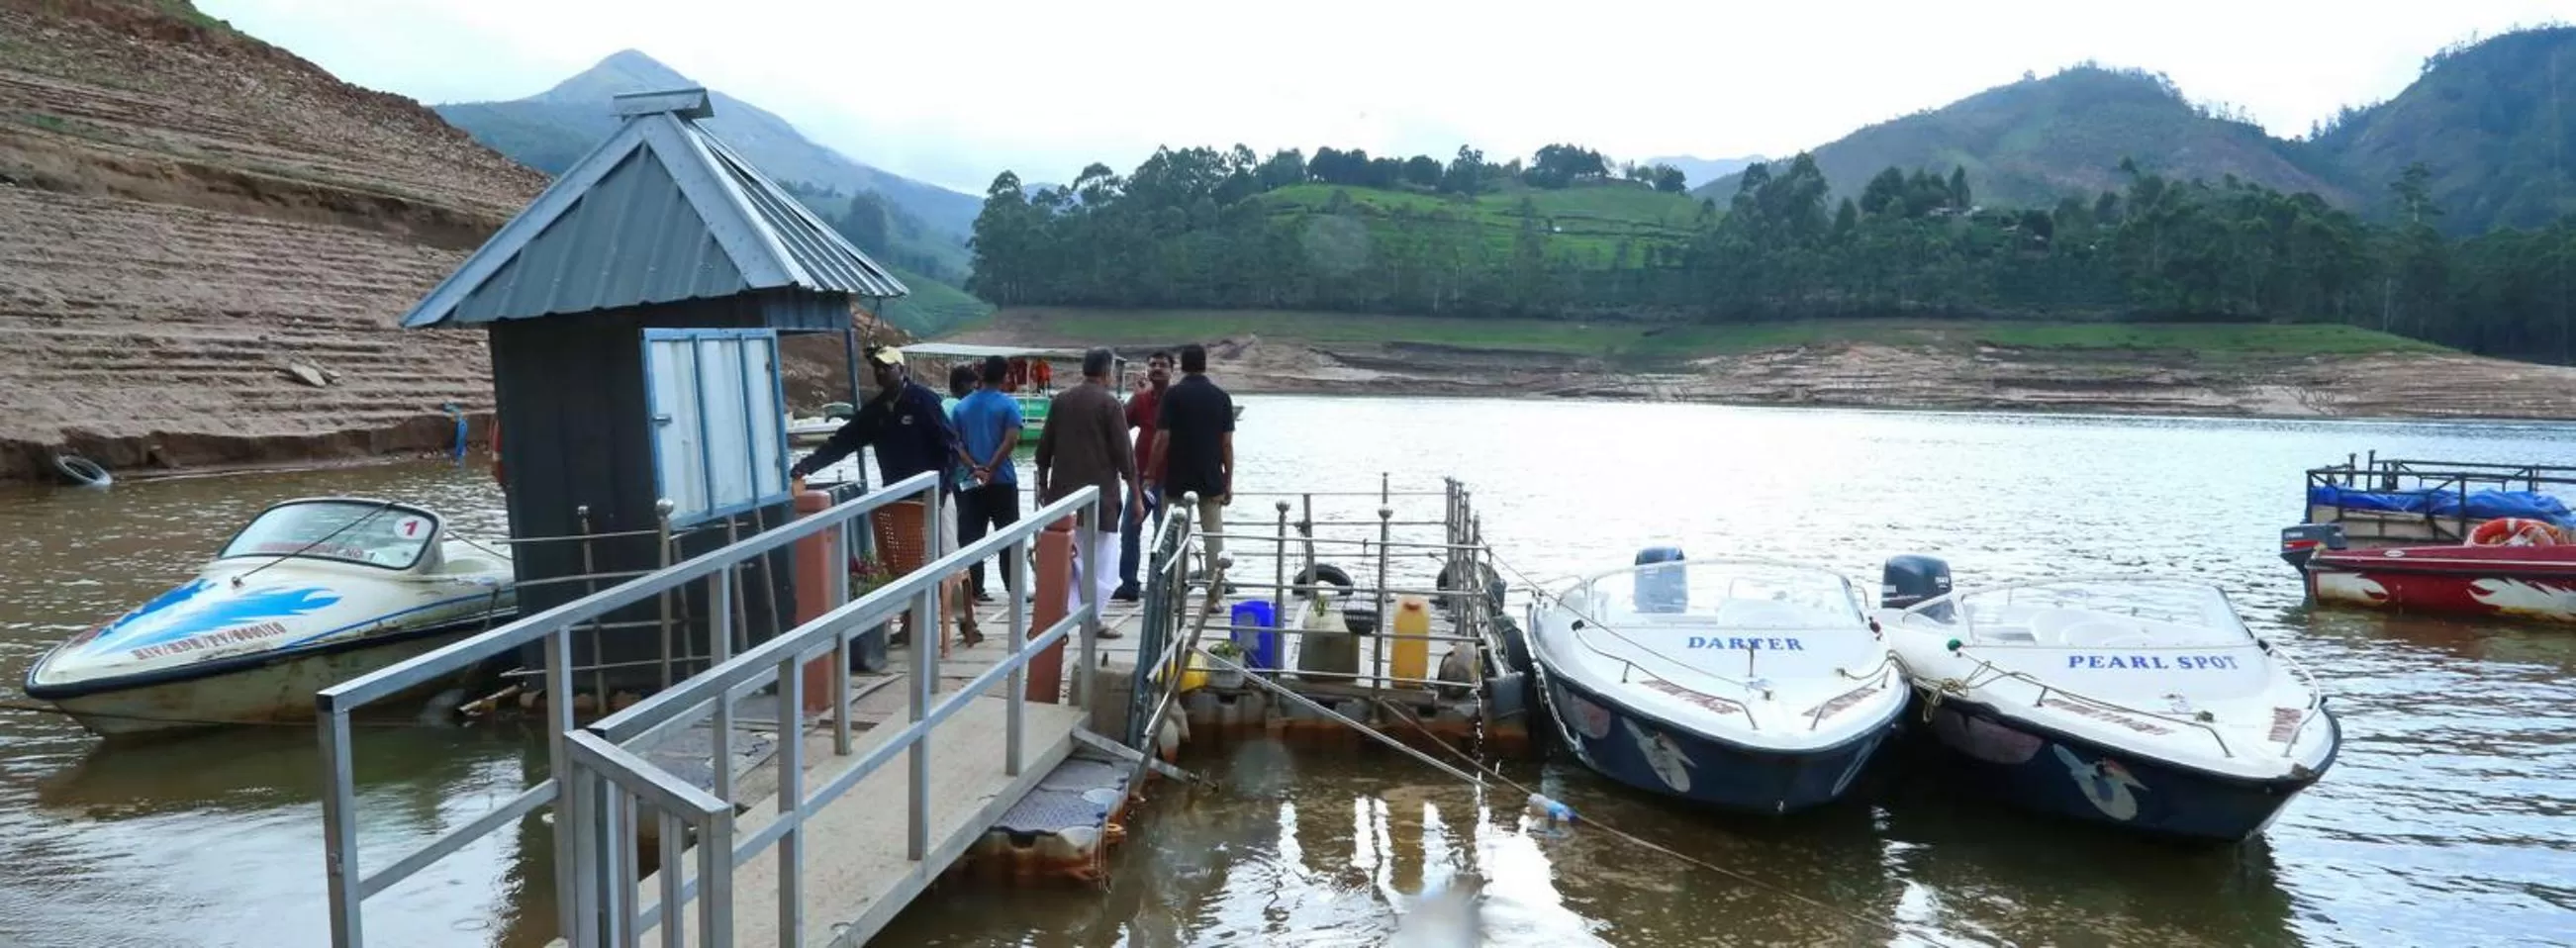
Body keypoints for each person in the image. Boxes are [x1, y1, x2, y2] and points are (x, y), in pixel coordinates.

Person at [789, 344, 977, 643]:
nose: (880, 371)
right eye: (877, 367)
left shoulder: (923, 401)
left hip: (935, 496)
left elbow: (949, 446)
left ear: (900, 370)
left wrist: (941, 488)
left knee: (947, 558)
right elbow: (843, 442)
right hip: (899, 498)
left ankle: (964, 622)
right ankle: (910, 622)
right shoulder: (876, 411)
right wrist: (805, 467)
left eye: (887, 366)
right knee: (903, 562)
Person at [1033, 347, 1144, 633]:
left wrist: (1043, 486)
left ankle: (1066, 614)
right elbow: (1125, 455)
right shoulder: (1110, 405)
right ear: (1107, 372)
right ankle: (1091, 618)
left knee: (1068, 557)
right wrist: (1137, 496)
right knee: (1101, 564)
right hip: (1101, 500)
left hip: (1062, 499)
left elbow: (1044, 448)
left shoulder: (1061, 400)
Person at [1145, 342, 1234, 615]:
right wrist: (1228, 481)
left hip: (1178, 478)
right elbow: (1227, 444)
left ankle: (1174, 598)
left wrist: (1150, 473)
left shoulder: (1173, 396)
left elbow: (1162, 438)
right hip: (1210, 478)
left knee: (1176, 539)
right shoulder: (1221, 397)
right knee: (1213, 539)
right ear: (1205, 364)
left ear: (1182, 365)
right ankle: (1215, 596)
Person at [951, 355, 1025, 604]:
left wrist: (974, 467)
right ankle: (1014, 589)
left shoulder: (961, 407)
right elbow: (1011, 439)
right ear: (1005, 376)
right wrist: (991, 468)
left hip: (971, 481)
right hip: (1002, 479)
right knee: (1009, 535)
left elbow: (955, 444)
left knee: (971, 537)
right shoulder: (1009, 405)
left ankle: (975, 590)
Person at [1112, 349, 1175, 602]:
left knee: (1165, 532)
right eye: (1153, 365)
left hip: (1171, 477)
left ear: (1173, 370)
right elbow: (1118, 426)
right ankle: (1129, 584)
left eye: (1162, 365)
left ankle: (1163, 584)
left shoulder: (1178, 399)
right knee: (1129, 528)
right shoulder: (1141, 400)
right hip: (1140, 479)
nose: (1157, 368)